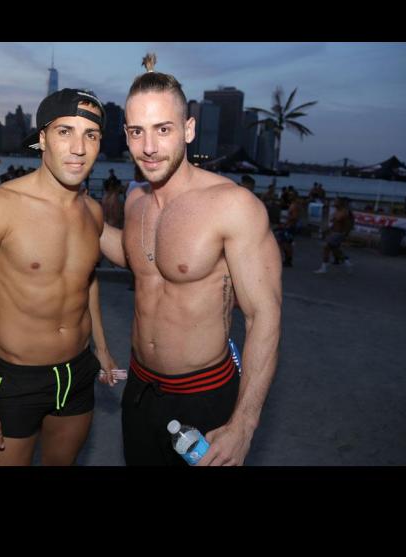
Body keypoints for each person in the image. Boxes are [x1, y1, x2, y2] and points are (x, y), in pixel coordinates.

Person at [99, 54, 282, 466]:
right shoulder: (134, 199)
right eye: (137, 132)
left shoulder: (233, 206)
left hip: (204, 395)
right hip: (140, 389)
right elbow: (137, 260)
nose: (148, 147)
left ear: (188, 129)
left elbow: (264, 316)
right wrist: (84, 218)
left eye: (163, 129)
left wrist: (243, 424)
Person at [0, 88, 119, 466]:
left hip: (78, 373)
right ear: (42, 138)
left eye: (91, 135)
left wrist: (102, 348)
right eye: (65, 132)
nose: (79, 148)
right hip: (18, 379)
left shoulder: (92, 212)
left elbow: (86, 281)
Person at [314, 197, 354, 274]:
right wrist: (327, 230)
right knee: (335, 250)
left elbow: (348, 225)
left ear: (340, 203)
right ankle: (347, 262)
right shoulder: (336, 211)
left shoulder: (345, 213)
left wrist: (345, 234)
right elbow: (334, 224)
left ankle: (324, 267)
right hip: (334, 233)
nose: (334, 203)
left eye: (336, 201)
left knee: (326, 247)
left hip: (339, 234)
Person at [274, 191, 301, 267]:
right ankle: (287, 259)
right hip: (288, 226)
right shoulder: (292, 205)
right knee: (283, 243)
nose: (289, 196)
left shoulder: (294, 205)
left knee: (287, 244)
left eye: (291, 195)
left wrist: (286, 219)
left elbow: (295, 217)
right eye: (289, 195)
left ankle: (288, 260)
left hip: (290, 227)